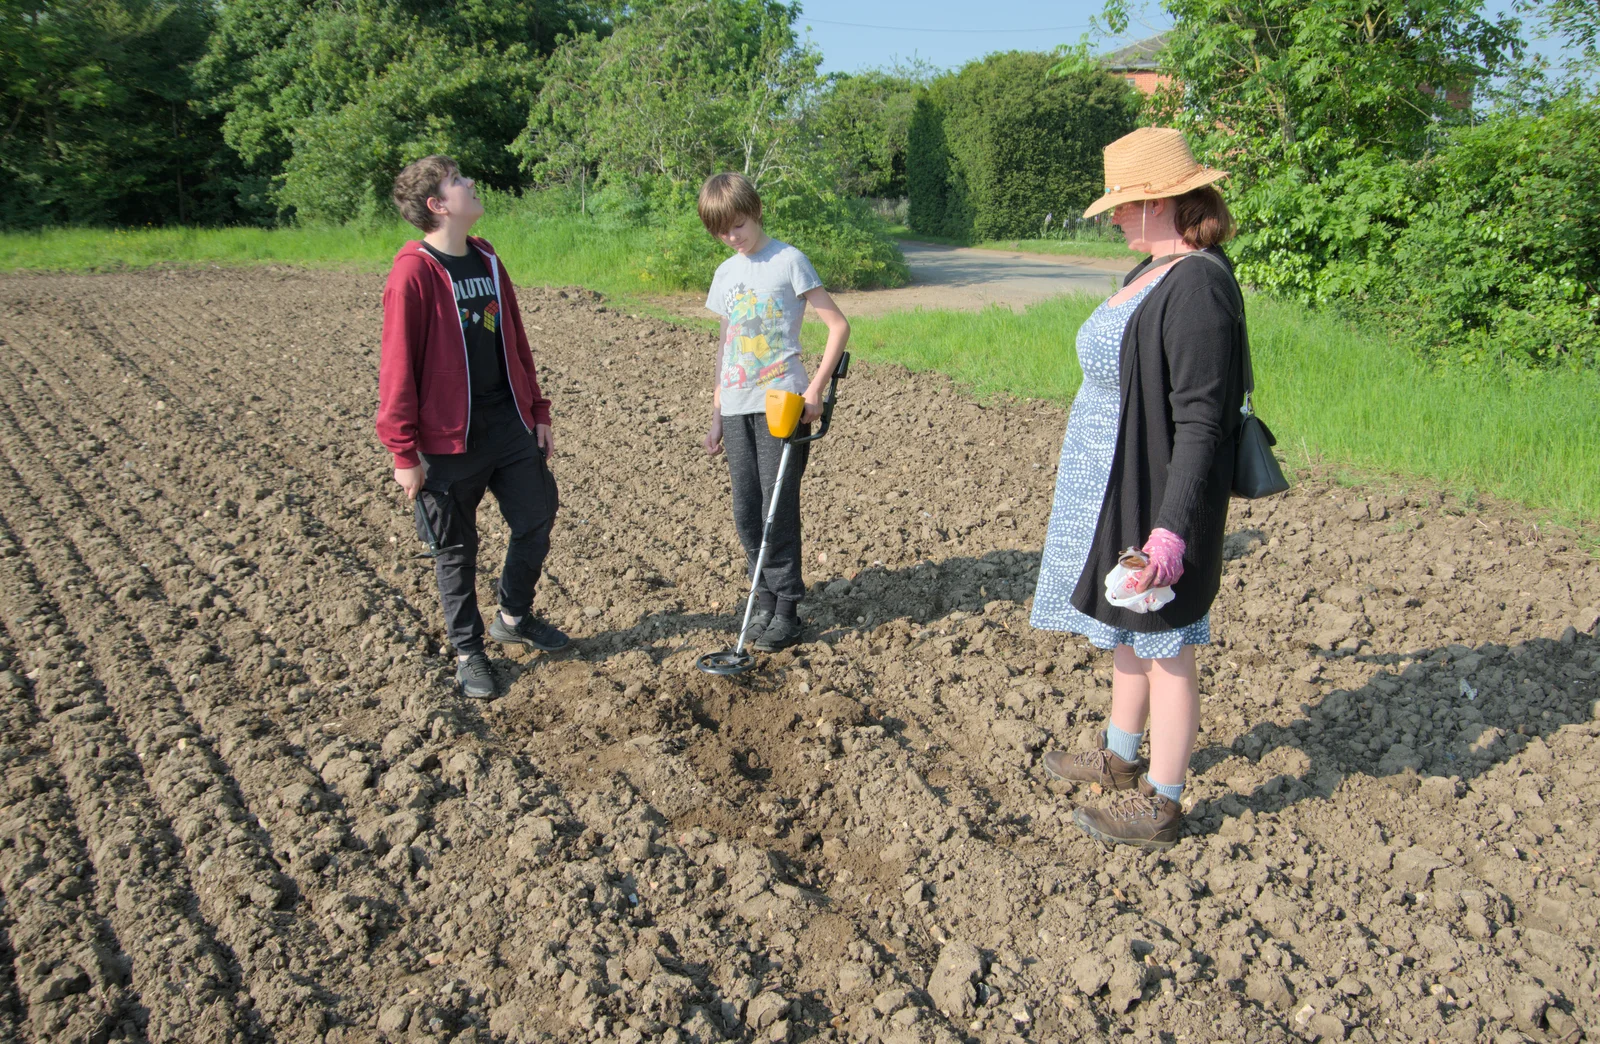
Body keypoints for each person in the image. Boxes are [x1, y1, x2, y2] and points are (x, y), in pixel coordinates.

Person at [1030, 128, 1249, 849]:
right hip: (1114, 480)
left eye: (1123, 205)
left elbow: (1200, 420)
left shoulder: (1199, 286)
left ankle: (1163, 799)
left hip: (1159, 491)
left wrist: (1170, 531)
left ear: (1161, 202)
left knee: (1167, 642)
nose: (1114, 217)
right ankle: (1121, 756)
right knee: (1128, 624)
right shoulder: (1149, 273)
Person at [376, 155, 568, 699]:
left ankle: (513, 615)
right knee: (454, 549)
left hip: (506, 420)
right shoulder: (412, 274)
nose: (471, 183)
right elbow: (397, 366)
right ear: (438, 206)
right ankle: (468, 651)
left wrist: (538, 411)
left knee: (536, 515)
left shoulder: (486, 259)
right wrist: (403, 452)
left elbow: (516, 342)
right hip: (446, 436)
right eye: (459, 181)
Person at [697, 173, 850, 651]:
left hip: (781, 402)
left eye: (738, 225)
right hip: (737, 404)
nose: (732, 237)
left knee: (775, 509)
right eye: (721, 231)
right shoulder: (726, 274)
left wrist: (817, 390)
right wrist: (717, 412)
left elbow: (838, 326)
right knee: (746, 509)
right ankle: (762, 602)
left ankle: (787, 610)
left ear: (755, 211)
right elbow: (726, 344)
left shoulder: (789, 261)